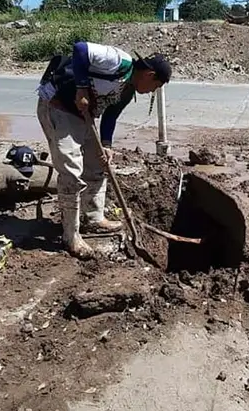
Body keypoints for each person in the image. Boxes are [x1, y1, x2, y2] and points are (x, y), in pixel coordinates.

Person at [36, 40, 171, 259]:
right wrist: (81, 88)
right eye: (155, 87)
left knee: (99, 162)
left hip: (82, 116)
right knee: (71, 170)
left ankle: (93, 218)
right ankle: (71, 236)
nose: (151, 92)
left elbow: (110, 116)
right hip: (57, 106)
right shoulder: (119, 62)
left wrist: (106, 145)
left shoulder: (128, 90)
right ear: (149, 74)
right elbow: (80, 49)